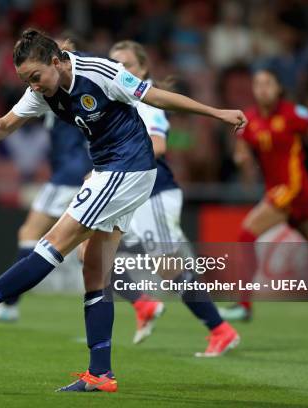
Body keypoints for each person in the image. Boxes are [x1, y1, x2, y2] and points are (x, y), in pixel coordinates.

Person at [0, 29, 246, 392]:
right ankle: (100, 374)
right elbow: (9, 123)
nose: (34, 86)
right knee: (94, 268)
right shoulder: (42, 88)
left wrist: (216, 113)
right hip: (111, 170)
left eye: (36, 77)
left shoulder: (100, 72)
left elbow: (156, 97)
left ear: (56, 61)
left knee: (54, 241)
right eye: (26, 80)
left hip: (128, 168)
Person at [107, 40, 239, 355]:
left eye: (126, 65)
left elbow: (159, 145)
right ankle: (143, 305)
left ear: (143, 69)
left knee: (169, 268)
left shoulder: (146, 100)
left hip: (154, 192)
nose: (119, 71)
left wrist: (112, 166)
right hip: (127, 191)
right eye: (114, 65)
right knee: (91, 254)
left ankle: (220, 330)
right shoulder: (117, 97)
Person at [220, 68, 308, 321]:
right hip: (281, 194)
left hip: (293, 189)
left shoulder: (293, 114)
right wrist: (241, 157)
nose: (262, 88)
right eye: (258, 84)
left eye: (267, 83)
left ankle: (244, 306)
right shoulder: (250, 119)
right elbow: (243, 146)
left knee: (245, 236)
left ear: (278, 88)